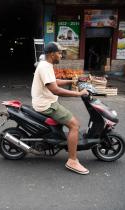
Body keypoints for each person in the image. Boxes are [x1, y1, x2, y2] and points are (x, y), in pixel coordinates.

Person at [31, 42, 89, 175]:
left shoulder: (46, 65)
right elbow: (55, 90)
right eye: (59, 53)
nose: (61, 55)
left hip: (47, 101)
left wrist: (72, 81)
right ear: (52, 54)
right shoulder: (45, 67)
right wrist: (79, 94)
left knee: (71, 122)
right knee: (75, 125)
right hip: (47, 105)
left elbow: (54, 81)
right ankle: (72, 161)